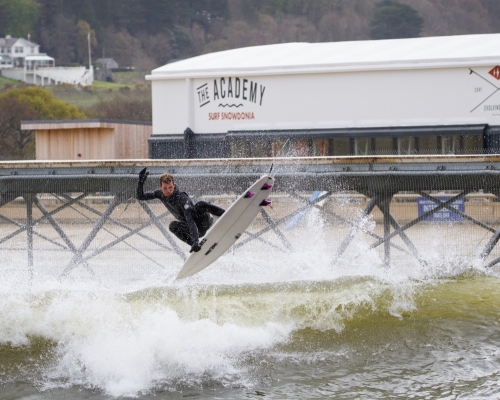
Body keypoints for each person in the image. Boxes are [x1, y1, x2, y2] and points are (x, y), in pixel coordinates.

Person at [136, 168, 225, 253]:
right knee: (172, 226)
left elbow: (190, 220)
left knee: (200, 204)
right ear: (161, 187)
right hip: (193, 231)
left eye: (170, 187)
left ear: (174, 185)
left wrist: (196, 240)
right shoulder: (160, 194)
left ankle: (226, 214)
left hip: (203, 223)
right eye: (165, 188)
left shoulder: (182, 199)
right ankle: (194, 246)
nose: (168, 191)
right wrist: (140, 182)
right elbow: (141, 197)